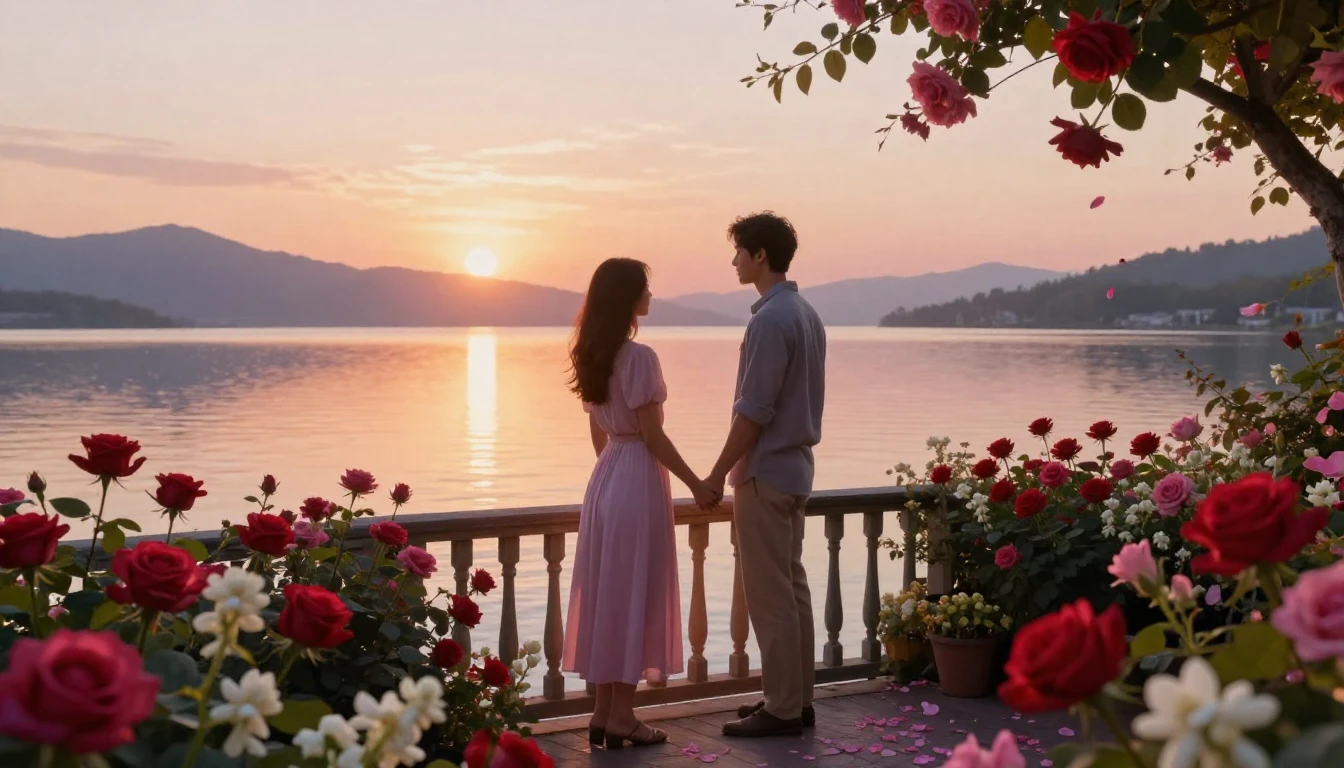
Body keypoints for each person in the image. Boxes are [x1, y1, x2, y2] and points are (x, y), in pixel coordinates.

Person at [562, 257, 722, 750]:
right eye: (646, 288)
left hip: (605, 476)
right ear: (629, 297)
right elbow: (652, 435)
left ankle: (603, 711)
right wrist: (698, 483)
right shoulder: (639, 358)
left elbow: (597, 428)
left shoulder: (592, 354)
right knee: (633, 592)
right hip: (634, 477)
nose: (652, 295)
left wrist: (612, 474)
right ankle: (623, 717)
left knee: (608, 593)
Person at [705, 212, 827, 738]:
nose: (733, 261)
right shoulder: (806, 313)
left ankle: (780, 709)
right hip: (796, 471)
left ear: (759, 256)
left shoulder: (769, 321)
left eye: (738, 252)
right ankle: (796, 700)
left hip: (766, 473)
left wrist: (715, 475)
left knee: (771, 595)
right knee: (793, 589)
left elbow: (753, 411)